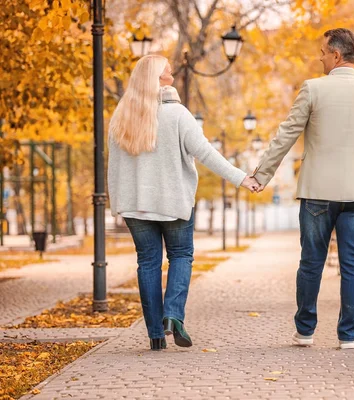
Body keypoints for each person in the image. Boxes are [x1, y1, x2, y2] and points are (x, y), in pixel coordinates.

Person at [248, 28, 354, 349]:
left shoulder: (313, 89)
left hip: (318, 193)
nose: (320, 57)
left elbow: (286, 134)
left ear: (337, 55)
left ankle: (305, 331)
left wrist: (262, 175)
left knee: (311, 262)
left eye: (323, 52)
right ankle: (348, 336)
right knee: (353, 264)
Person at [108, 55, 258, 351]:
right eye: (167, 69)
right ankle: (173, 316)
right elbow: (206, 154)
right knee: (180, 255)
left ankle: (154, 335)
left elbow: (114, 166)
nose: (172, 72)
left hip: (136, 206)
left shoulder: (122, 115)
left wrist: (119, 202)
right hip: (173, 202)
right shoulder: (178, 115)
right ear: (157, 78)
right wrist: (243, 178)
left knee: (147, 263)